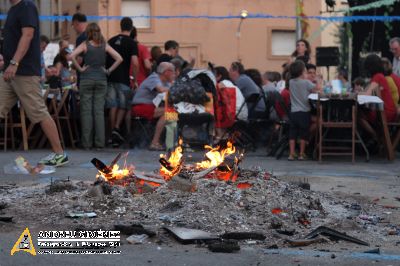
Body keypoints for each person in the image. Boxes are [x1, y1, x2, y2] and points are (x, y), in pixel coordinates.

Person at [0, 0, 68, 166]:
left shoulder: (27, 6)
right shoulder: (13, 9)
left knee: (38, 112)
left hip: (24, 72)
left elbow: (28, 35)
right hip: (10, 72)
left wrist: (15, 63)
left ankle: (59, 154)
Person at [70, 22, 123, 150]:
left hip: (86, 80)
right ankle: (99, 144)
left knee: (86, 112)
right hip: (101, 80)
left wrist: (80, 69)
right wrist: (108, 70)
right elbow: (119, 58)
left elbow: (72, 56)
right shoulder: (105, 45)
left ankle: (87, 144)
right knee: (99, 112)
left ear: (88, 33)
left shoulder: (85, 45)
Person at [105, 17, 139, 147]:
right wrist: (135, 79)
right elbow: (135, 63)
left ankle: (112, 135)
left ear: (120, 26)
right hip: (123, 79)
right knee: (124, 106)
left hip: (110, 78)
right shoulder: (131, 43)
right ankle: (117, 129)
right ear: (131, 28)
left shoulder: (111, 41)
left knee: (113, 105)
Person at [132, 62, 176, 151]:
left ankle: (170, 142)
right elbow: (160, 90)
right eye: (173, 72)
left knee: (172, 113)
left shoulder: (166, 82)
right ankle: (155, 142)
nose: (174, 74)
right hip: (140, 107)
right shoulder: (154, 78)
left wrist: (172, 84)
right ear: (166, 72)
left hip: (150, 107)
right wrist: (174, 86)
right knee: (169, 112)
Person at [288, 60, 321, 161]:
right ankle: (302, 154)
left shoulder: (291, 82)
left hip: (293, 112)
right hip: (304, 112)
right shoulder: (306, 83)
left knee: (292, 134)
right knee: (303, 133)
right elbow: (318, 89)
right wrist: (318, 80)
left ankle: (291, 153)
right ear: (302, 72)